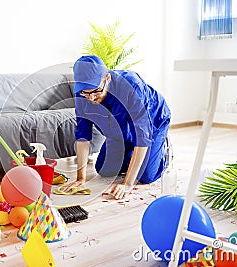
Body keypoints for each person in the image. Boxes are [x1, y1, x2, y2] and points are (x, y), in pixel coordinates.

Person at [61, 55, 171, 199]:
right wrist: (80, 178)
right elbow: (83, 136)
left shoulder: (132, 86)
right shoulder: (82, 94)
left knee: (147, 176)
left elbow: (142, 137)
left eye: (96, 91)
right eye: (85, 93)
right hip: (119, 129)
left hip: (153, 124)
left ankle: (161, 150)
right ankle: (131, 150)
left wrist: (127, 184)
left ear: (107, 78)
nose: (91, 98)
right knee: (104, 170)